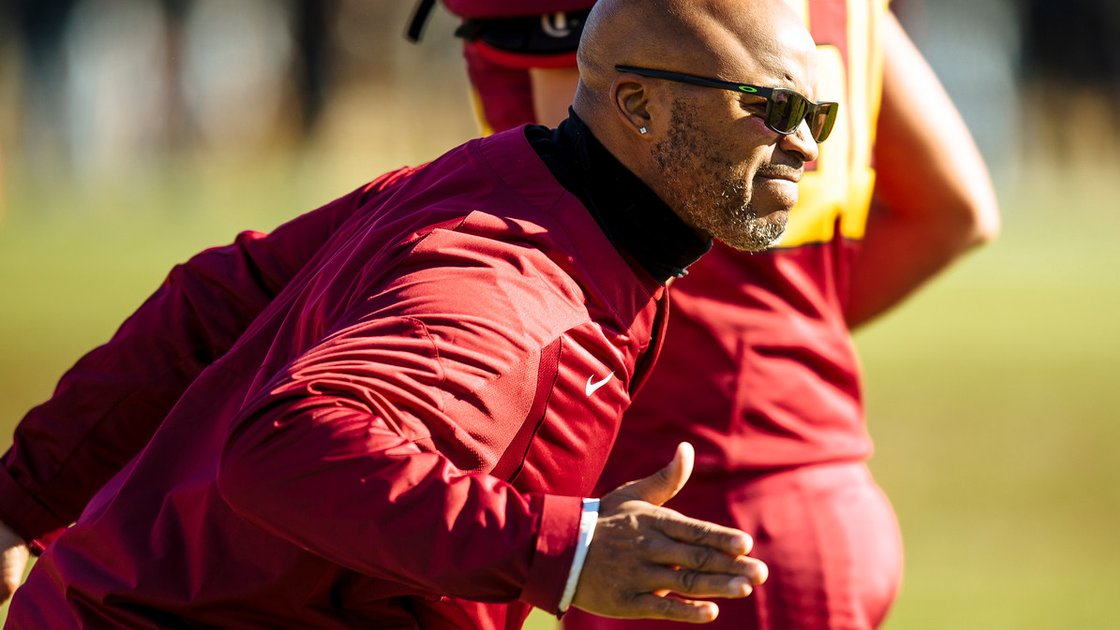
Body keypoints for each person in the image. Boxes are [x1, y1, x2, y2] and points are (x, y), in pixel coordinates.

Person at [0, 0, 836, 626]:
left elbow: (212, 302)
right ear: (640, 105)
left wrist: (18, 501)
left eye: (817, 112)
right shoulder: (515, 290)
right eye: (770, 106)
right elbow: (286, 444)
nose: (805, 142)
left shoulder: (497, 181)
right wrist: (560, 549)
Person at [442, 0, 1001, 628]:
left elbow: (592, 230)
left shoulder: (630, 18)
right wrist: (775, 351)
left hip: (695, 510)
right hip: (820, 491)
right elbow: (955, 211)